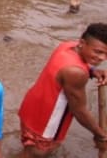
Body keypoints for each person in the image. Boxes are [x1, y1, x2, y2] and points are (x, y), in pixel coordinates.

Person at [17, 23, 107, 157]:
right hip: (45, 123)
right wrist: (101, 135)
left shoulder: (68, 46)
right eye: (98, 52)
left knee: (29, 151)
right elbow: (80, 111)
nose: (102, 58)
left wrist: (93, 71)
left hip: (31, 108)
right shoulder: (76, 73)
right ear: (82, 43)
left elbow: (75, 65)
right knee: (36, 154)